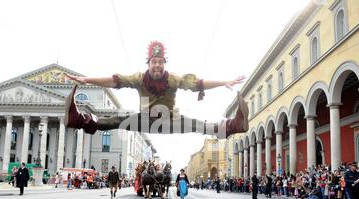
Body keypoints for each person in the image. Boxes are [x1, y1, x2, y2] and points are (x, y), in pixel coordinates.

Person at [65, 41, 248, 139]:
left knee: (197, 124)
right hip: (145, 120)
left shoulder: (174, 79)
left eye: (161, 62)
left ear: (164, 64)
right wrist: (87, 79)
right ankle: (77, 120)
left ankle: (235, 125)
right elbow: (115, 81)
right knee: (118, 120)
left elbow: (198, 84)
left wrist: (225, 82)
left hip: (170, 120)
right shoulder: (139, 78)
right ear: (149, 64)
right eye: (154, 62)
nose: (158, 66)